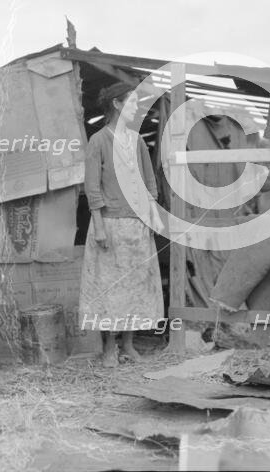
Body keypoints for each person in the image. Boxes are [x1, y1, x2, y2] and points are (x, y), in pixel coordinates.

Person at [79, 81, 164, 367]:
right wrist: (99, 225)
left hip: (136, 225)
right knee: (108, 289)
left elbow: (150, 182)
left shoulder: (137, 141)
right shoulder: (99, 141)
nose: (136, 108)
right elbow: (92, 187)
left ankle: (128, 344)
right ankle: (108, 348)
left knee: (135, 288)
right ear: (116, 104)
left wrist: (151, 216)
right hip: (110, 225)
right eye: (131, 102)